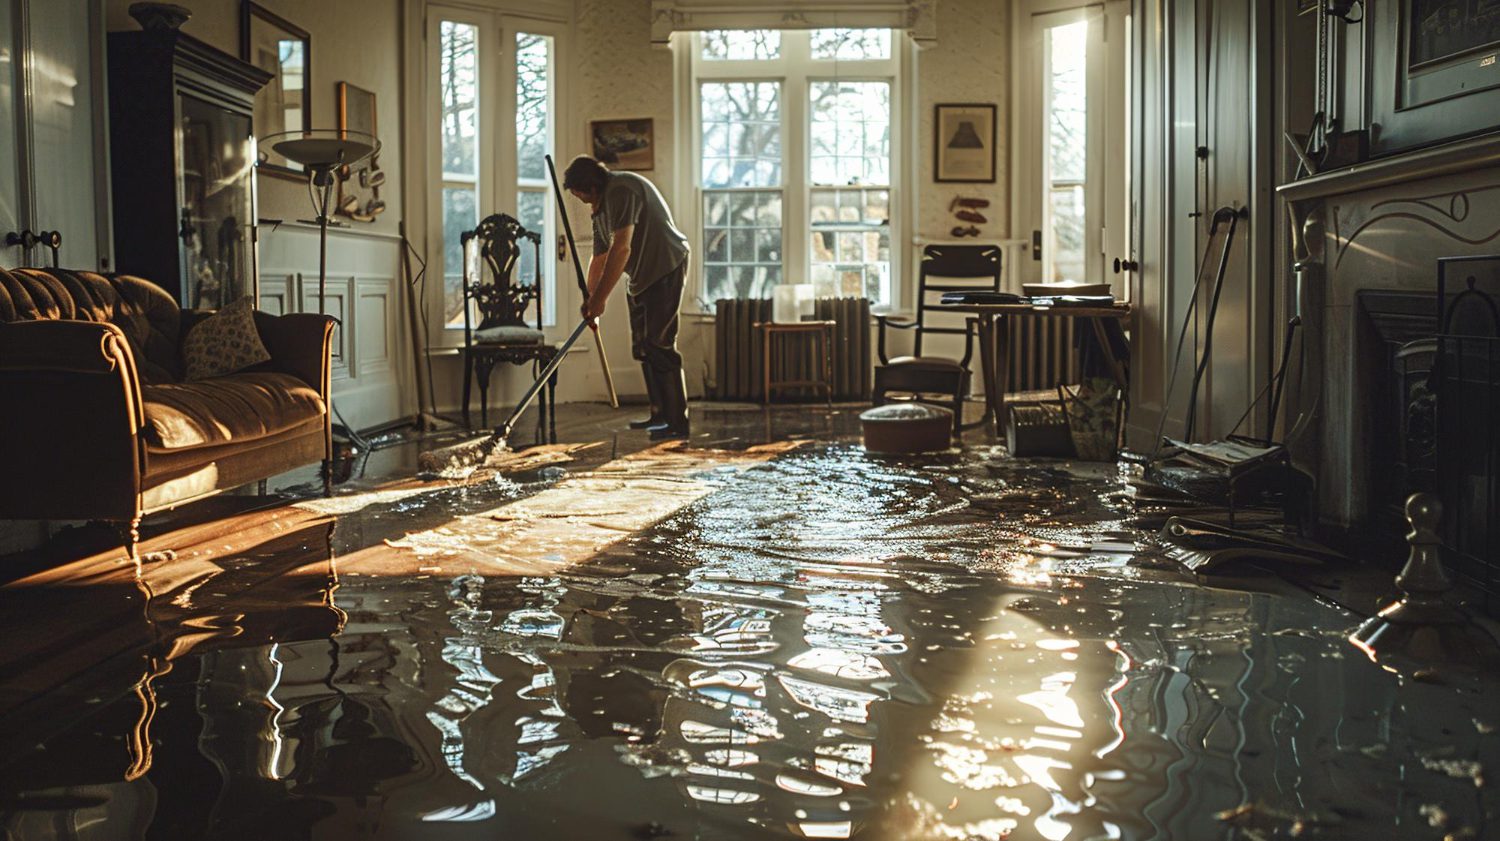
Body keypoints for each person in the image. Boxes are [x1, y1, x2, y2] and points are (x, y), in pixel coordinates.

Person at [563, 155, 691, 440]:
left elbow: (621, 250)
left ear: (591, 187)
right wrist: (590, 298)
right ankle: (659, 415)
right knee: (644, 347)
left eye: (582, 196)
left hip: (666, 265)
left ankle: (677, 423)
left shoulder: (621, 190)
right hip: (642, 275)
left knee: (660, 343)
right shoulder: (600, 208)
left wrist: (600, 300)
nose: (583, 203)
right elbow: (600, 256)